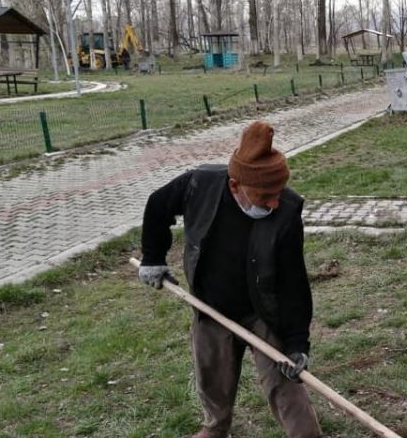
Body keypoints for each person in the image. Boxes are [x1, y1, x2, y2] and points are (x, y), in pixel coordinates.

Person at [138, 121, 322, 438]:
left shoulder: (287, 211)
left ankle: (307, 435)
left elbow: (294, 281)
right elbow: (157, 206)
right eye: (265, 196)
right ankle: (215, 427)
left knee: (284, 379)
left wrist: (296, 342)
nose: (274, 203)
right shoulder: (201, 185)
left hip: (263, 310)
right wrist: (153, 258)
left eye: (278, 194)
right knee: (212, 375)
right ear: (235, 186)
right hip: (211, 306)